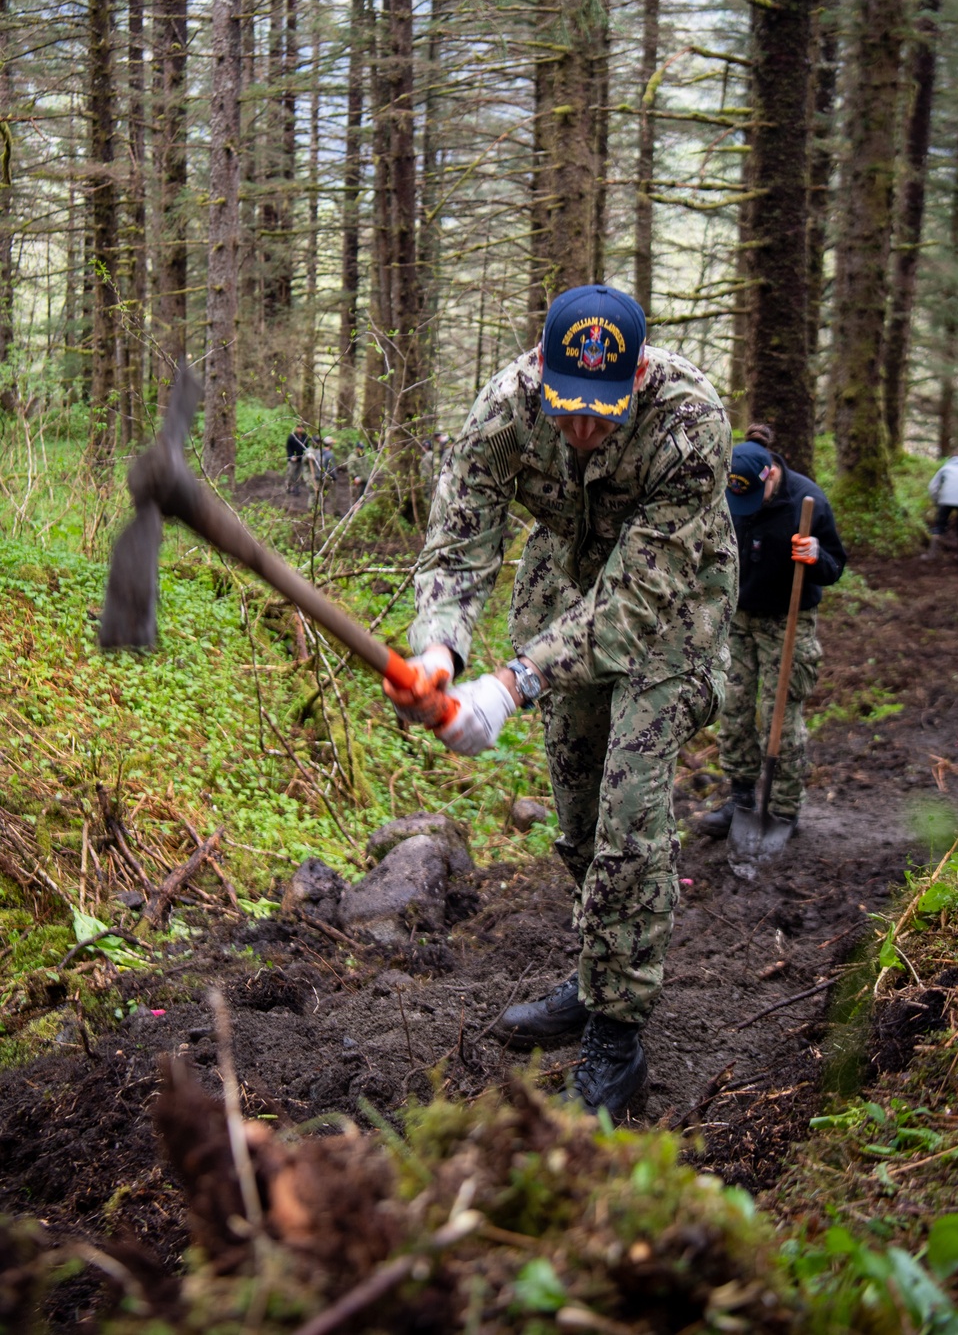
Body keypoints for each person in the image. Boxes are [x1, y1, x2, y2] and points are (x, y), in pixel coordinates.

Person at [382, 283, 737, 1117]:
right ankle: (595, 972)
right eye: (566, 408)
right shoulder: (504, 408)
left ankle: (617, 1036)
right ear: (539, 370)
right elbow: (461, 540)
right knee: (578, 815)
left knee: (630, 807)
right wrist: (441, 649)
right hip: (562, 582)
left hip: (673, 602)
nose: (583, 429)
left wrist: (509, 687)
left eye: (603, 410)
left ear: (640, 373)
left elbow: (634, 602)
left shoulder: (691, 426)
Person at [699, 423, 847, 841]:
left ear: (772, 476)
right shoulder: (728, 492)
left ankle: (783, 810)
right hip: (738, 615)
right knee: (736, 706)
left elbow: (836, 564)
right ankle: (741, 799)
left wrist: (816, 556)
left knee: (781, 714)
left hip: (788, 617)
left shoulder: (808, 501)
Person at [285, 423, 308, 495]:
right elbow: (288, 448)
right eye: (299, 427)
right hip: (292, 459)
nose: (300, 429)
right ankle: (288, 487)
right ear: (296, 428)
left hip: (301, 459)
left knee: (298, 475)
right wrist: (291, 456)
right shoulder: (292, 436)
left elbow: (306, 447)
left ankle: (296, 488)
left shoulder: (305, 437)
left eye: (301, 427)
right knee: (290, 474)